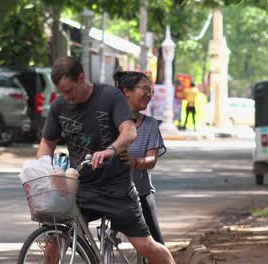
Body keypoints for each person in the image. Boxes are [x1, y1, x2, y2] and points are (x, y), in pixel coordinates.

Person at [37, 56, 175, 263]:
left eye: (68, 90)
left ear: (81, 78)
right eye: (61, 92)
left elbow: (129, 132)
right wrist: (42, 168)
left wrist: (110, 150)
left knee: (145, 245)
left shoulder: (110, 97)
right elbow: (47, 143)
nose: (66, 97)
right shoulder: (60, 106)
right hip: (79, 187)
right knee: (53, 242)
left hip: (116, 188)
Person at [115, 71, 167, 245]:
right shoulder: (108, 122)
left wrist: (134, 162)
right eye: (144, 89)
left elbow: (151, 160)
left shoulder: (150, 125)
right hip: (110, 193)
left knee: (156, 245)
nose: (148, 94)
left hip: (141, 193)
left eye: (150, 91)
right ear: (126, 91)